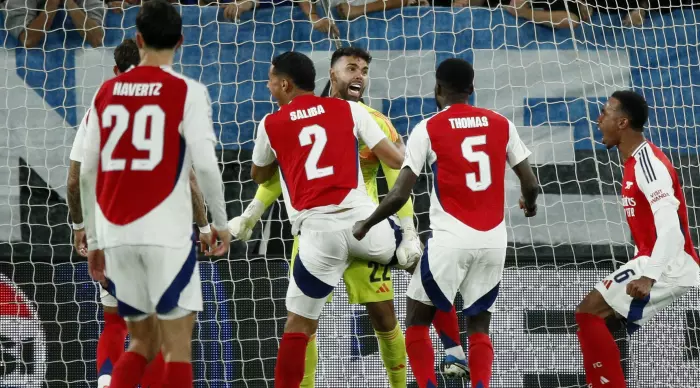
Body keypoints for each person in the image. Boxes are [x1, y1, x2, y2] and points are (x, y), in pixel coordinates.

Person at [231, 46, 466, 384]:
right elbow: (401, 166)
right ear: (331, 74)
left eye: (364, 71)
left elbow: (267, 176)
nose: (359, 75)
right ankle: (453, 346)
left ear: (284, 83)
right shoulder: (352, 116)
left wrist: (249, 216)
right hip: (365, 226)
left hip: (319, 232)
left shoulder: (278, 122)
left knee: (336, 322)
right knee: (427, 268)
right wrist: (408, 233)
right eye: (351, 68)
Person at [353, 58, 540, 388]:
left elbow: (398, 194)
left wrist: (366, 225)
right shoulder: (501, 123)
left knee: (415, 319)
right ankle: (475, 377)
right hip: (494, 241)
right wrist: (529, 204)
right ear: (472, 89)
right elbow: (531, 184)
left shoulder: (428, 128)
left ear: (437, 88)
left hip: (450, 239)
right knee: (479, 326)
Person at [79, 1, 230, 387]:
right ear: (180, 41)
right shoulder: (187, 91)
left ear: (138, 38)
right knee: (176, 346)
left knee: (141, 340)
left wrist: (93, 237)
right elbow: (207, 168)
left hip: (117, 234)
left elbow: (86, 174)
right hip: (166, 233)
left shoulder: (107, 92)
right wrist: (219, 224)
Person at [574, 90, 700, 388]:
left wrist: (649, 275)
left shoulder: (648, 164)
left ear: (622, 122)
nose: (598, 119)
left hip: (669, 263)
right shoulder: (634, 162)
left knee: (589, 311)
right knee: (600, 320)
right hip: (658, 259)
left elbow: (670, 227)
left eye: (605, 113)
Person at [3, 0, 104, 48]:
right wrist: (52, 3)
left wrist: (69, 3)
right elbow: (28, 40)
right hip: (31, 70)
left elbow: (96, 39)